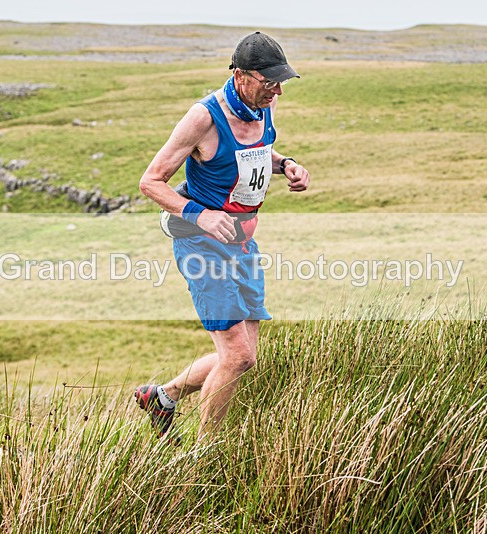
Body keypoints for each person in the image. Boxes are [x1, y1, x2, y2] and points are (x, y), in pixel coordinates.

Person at [135, 31, 310, 442]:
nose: (277, 91)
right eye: (269, 82)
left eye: (280, 82)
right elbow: (151, 181)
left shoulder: (262, 106)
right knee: (237, 355)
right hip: (203, 244)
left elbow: (258, 150)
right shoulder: (203, 118)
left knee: (244, 358)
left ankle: (161, 397)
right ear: (240, 76)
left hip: (243, 244)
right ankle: (203, 455)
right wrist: (200, 215)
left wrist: (287, 165)